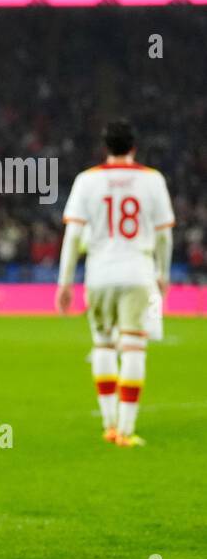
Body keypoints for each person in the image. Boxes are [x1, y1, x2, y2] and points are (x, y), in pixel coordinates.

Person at [56, 120, 175, 447]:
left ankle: (109, 424)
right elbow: (164, 235)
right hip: (138, 271)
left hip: (99, 274)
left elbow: (73, 236)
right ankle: (126, 429)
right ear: (134, 146)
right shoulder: (152, 180)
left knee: (103, 345)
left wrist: (64, 282)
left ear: (105, 148)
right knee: (135, 347)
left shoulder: (86, 181)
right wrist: (163, 274)